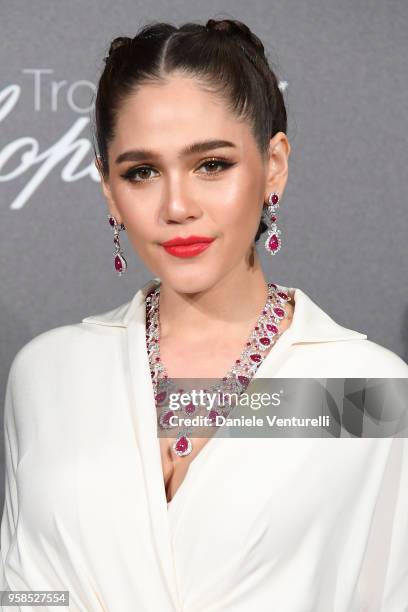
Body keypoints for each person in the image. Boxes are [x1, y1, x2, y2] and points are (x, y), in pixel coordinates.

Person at [1, 17, 407, 612]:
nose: (176, 205)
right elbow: (29, 594)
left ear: (274, 165)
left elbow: (384, 593)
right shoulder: (48, 374)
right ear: (110, 191)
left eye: (211, 165)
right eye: (141, 172)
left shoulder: (363, 390)